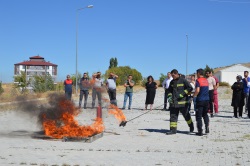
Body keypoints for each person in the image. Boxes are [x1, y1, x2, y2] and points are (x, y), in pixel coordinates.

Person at [166, 69, 194, 135]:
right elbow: (169, 90)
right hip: (173, 103)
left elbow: (190, 88)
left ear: (176, 74)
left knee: (186, 116)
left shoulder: (183, 80)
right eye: (172, 76)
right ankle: (173, 130)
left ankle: (191, 126)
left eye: (173, 75)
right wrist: (169, 97)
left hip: (182, 103)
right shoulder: (172, 82)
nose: (172, 77)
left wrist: (182, 94)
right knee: (173, 116)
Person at [193, 69, 210, 136]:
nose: (196, 75)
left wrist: (194, 96)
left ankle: (200, 131)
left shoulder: (198, 80)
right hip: (207, 100)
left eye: (196, 73)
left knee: (199, 116)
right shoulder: (206, 80)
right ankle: (207, 127)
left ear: (199, 73)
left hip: (200, 100)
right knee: (205, 114)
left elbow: (197, 90)